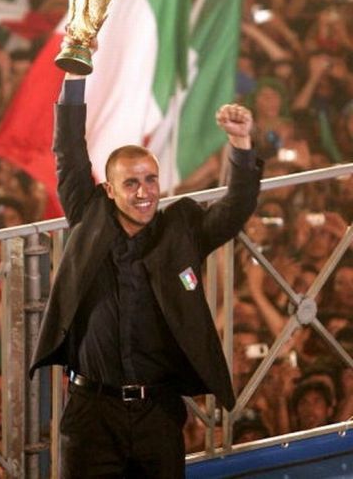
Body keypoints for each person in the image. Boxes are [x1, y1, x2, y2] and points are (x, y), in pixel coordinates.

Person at [30, 60, 262, 477]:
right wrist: (76, 74)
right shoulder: (89, 216)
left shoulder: (182, 228)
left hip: (158, 413)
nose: (144, 193)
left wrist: (241, 146)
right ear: (109, 190)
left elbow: (233, 210)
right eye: (132, 183)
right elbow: (68, 150)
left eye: (151, 180)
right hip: (91, 415)